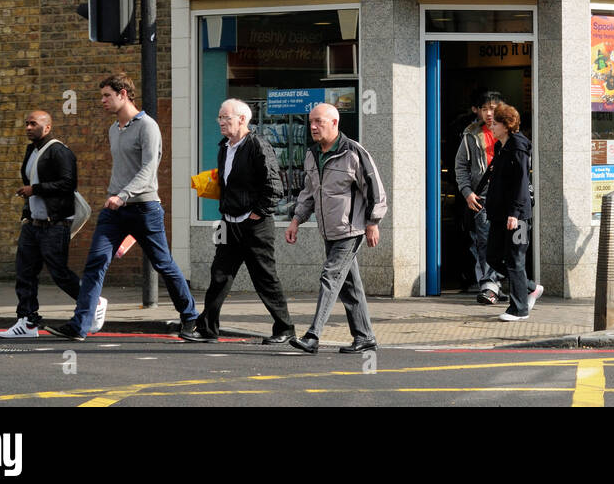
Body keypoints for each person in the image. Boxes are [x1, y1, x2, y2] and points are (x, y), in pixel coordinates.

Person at [46, 72, 202, 342]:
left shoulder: (147, 126)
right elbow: (122, 169)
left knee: (163, 263)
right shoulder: (112, 129)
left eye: (107, 95)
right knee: (95, 262)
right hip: (114, 211)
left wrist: (124, 194)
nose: (103, 101)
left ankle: (190, 317)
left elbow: (149, 168)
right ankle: (80, 325)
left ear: (123, 94)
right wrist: (116, 197)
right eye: (102, 96)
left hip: (144, 208)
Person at [191, 99, 296, 344]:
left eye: (226, 117)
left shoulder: (258, 145)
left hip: (255, 225)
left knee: (264, 277)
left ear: (242, 119)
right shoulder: (224, 148)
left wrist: (256, 214)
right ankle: (207, 328)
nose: (221, 122)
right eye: (220, 117)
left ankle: (285, 329)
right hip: (228, 223)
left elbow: (274, 187)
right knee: (219, 275)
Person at [284, 103, 387, 354]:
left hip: (351, 230)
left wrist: (373, 223)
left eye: (319, 121)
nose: (313, 126)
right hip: (328, 230)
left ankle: (313, 335)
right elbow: (308, 193)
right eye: (311, 122)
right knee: (350, 285)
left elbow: (375, 190)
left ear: (334, 123)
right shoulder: (312, 155)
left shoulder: (353, 152)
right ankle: (365, 337)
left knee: (330, 277)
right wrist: (296, 220)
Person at [0, 111, 106, 338]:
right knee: (24, 272)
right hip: (33, 223)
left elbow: (68, 184)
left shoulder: (60, 152)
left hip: (55, 224)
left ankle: (93, 302)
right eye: (26, 123)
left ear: (47, 128)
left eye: (33, 124)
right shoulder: (31, 151)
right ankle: (27, 322)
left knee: (58, 272)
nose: (28, 127)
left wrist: (34, 190)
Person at [484, 103, 541, 321]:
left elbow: (520, 182)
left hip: (517, 216)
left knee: (515, 260)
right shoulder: (502, 146)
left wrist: (515, 212)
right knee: (493, 256)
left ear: (506, 126)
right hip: (499, 214)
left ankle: (519, 309)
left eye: (496, 123)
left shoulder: (518, 147)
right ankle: (530, 287)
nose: (492, 127)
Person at [454, 89, 505, 304]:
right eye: (485, 109)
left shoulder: (510, 132)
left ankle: (498, 284)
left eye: (493, 108)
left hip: (506, 196)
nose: (489, 113)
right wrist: (467, 192)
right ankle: (489, 285)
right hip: (481, 197)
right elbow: (461, 166)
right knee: (484, 242)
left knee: (505, 243)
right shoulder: (471, 134)